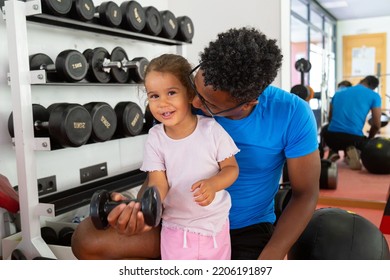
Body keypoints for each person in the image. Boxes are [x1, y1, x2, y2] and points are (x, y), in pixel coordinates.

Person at [71, 27, 320, 260]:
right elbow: (158, 175)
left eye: (208, 103)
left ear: (247, 103)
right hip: (176, 224)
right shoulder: (181, 102)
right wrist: (143, 211)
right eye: (195, 88)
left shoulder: (292, 114)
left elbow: (305, 194)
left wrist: (270, 259)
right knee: (87, 240)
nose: (195, 104)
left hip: (244, 229)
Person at [140, 54, 239, 260]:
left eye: (171, 93)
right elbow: (158, 182)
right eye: (154, 96)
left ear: (189, 94)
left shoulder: (211, 129)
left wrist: (213, 184)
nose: (162, 103)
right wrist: (147, 206)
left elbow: (231, 169)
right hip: (175, 228)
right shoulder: (155, 137)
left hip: (215, 226)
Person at [322, 75, 382, 170]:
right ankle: (352, 151)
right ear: (373, 88)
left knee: (326, 129)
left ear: (362, 80)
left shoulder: (339, 93)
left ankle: (334, 150)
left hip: (330, 137)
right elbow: (376, 125)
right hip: (354, 140)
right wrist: (369, 140)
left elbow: (330, 118)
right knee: (360, 140)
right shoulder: (374, 96)